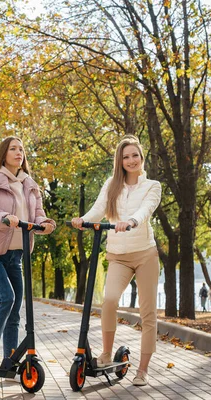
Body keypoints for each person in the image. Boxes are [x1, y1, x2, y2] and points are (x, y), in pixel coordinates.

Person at [71, 135, 161, 386]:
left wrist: (131, 221)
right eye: (126, 156)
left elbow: (146, 210)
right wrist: (83, 219)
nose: (131, 160)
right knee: (109, 300)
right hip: (118, 256)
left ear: (142, 158)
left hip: (145, 254)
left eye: (135, 155)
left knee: (148, 313)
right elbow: (99, 209)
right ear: (120, 161)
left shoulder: (153, 185)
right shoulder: (112, 184)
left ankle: (142, 370)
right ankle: (107, 353)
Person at [0, 136, 56, 368]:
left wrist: (45, 223)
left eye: (21, 148)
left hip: (17, 256)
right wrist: (4, 218)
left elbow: (37, 214)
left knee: (15, 310)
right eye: (13, 148)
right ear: (3, 153)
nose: (19, 152)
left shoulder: (30, 185)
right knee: (6, 299)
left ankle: (11, 358)